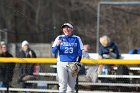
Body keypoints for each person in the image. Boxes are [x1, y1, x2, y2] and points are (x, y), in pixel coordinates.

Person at [52, 23, 83, 93]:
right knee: (62, 86)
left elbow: (80, 52)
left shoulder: (77, 38)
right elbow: (53, 51)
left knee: (71, 87)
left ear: (72, 29)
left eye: (68, 28)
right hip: (61, 64)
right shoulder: (59, 37)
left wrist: (77, 63)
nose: (66, 29)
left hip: (73, 64)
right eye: (64, 28)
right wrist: (57, 45)